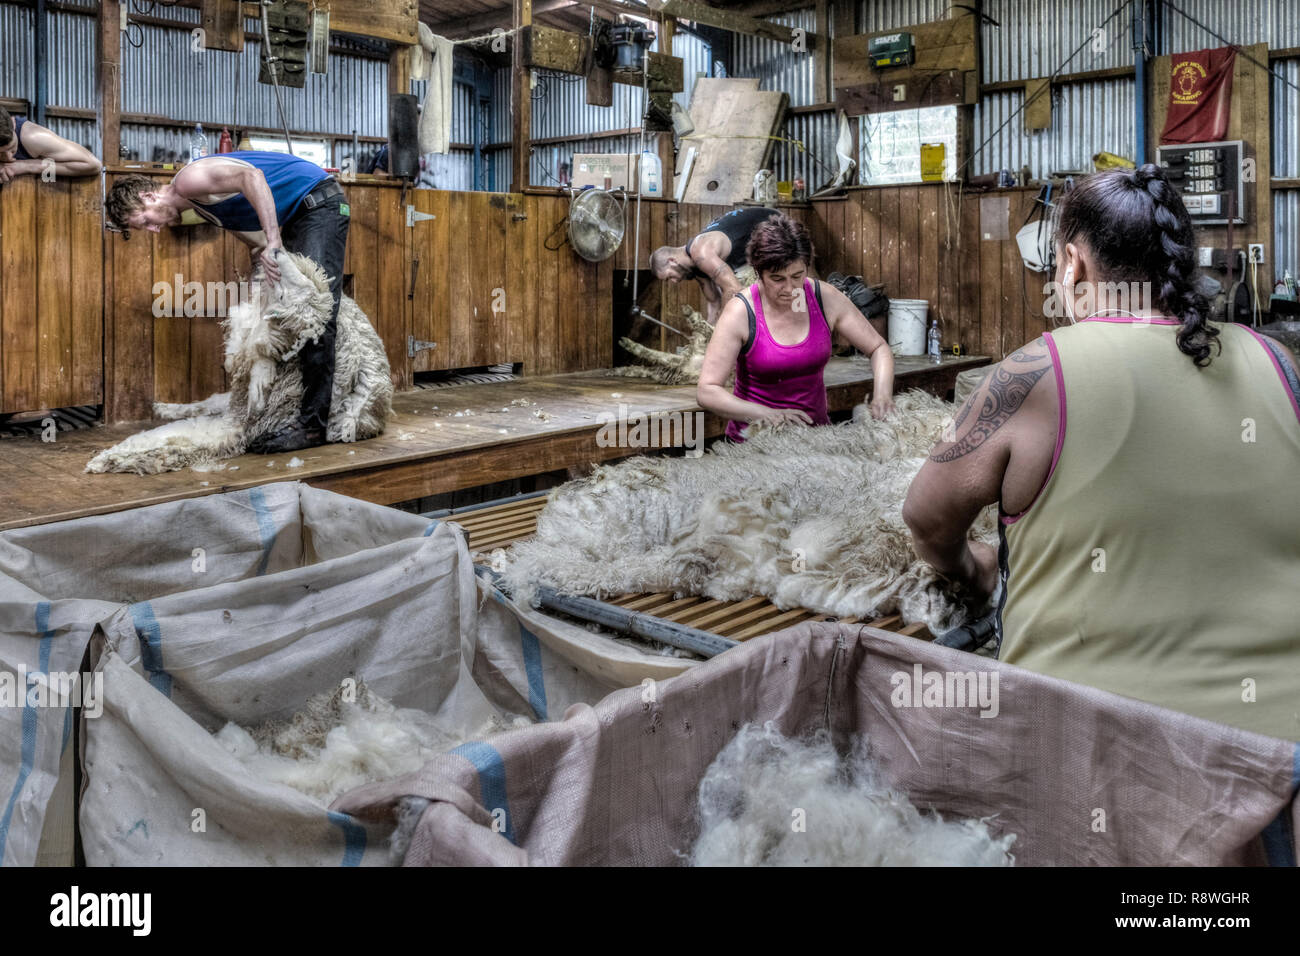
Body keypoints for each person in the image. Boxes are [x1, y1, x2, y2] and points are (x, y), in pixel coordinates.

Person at [902, 164, 1300, 742]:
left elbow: (926, 517)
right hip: (1278, 753)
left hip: (1091, 741)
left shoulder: (1034, 371)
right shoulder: (1278, 363)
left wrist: (976, 568)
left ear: (1072, 263)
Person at [105, 150, 349, 454]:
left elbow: (252, 176)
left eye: (145, 221)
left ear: (148, 196)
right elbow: (258, 244)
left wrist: (274, 240)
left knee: (314, 313)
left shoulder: (189, 180)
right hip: (302, 213)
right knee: (288, 315)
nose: (154, 230)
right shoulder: (205, 208)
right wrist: (255, 300)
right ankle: (298, 413)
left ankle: (313, 427)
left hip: (319, 202)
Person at [697, 213, 896, 440]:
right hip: (754, 444)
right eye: (777, 278)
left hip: (816, 439)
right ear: (758, 273)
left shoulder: (824, 298)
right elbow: (707, 390)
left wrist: (882, 395)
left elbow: (878, 348)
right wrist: (766, 414)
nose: (790, 288)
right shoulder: (742, 312)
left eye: (797, 275)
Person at [652, 206, 778, 325]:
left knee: (742, 294)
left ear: (672, 261)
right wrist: (708, 334)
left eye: (669, 277)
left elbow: (733, 289)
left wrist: (719, 334)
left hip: (776, 226)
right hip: (758, 249)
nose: (674, 281)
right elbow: (713, 303)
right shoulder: (697, 269)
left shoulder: (701, 251)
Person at [0, 106, 102, 183]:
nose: (9, 157)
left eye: (12, 148)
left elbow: (93, 165)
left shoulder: (34, 138)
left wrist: (26, 166)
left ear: (13, 125)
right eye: (1, 154)